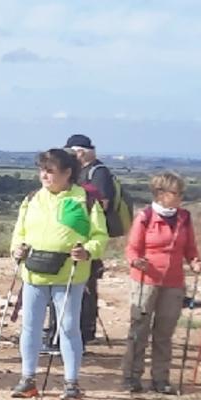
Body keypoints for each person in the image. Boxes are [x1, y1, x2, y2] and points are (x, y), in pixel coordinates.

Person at [9, 149, 109, 400]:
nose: (44, 175)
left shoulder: (84, 199)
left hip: (69, 274)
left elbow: (100, 236)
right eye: (42, 169)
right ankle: (27, 379)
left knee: (68, 327)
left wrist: (87, 251)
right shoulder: (32, 199)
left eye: (51, 170)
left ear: (67, 173)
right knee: (30, 327)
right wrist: (17, 248)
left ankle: (71, 382)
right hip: (33, 272)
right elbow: (19, 232)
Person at [120, 171, 200, 395]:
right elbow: (132, 247)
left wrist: (194, 261)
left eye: (181, 192)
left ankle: (160, 378)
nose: (180, 197)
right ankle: (131, 375)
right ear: (160, 194)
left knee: (165, 331)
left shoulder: (184, 218)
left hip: (174, 281)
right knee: (140, 329)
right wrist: (135, 261)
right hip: (146, 279)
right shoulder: (145, 217)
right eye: (176, 192)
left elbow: (190, 248)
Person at [55, 134, 120, 347]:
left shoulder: (98, 173)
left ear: (79, 152)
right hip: (80, 241)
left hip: (87, 241)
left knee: (85, 287)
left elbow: (103, 205)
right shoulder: (90, 172)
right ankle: (72, 332)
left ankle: (83, 333)